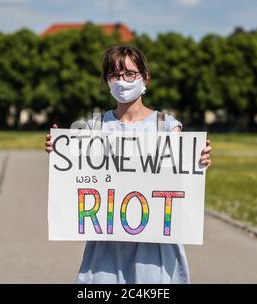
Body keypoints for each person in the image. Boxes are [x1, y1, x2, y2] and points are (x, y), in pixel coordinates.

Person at [45, 45, 212, 284]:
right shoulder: (95, 127)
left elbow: (182, 180)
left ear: (145, 76)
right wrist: (60, 151)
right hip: (106, 250)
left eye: (130, 74)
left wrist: (200, 160)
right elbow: (76, 178)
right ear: (107, 81)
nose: (122, 81)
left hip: (154, 251)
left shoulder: (166, 126)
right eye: (114, 75)